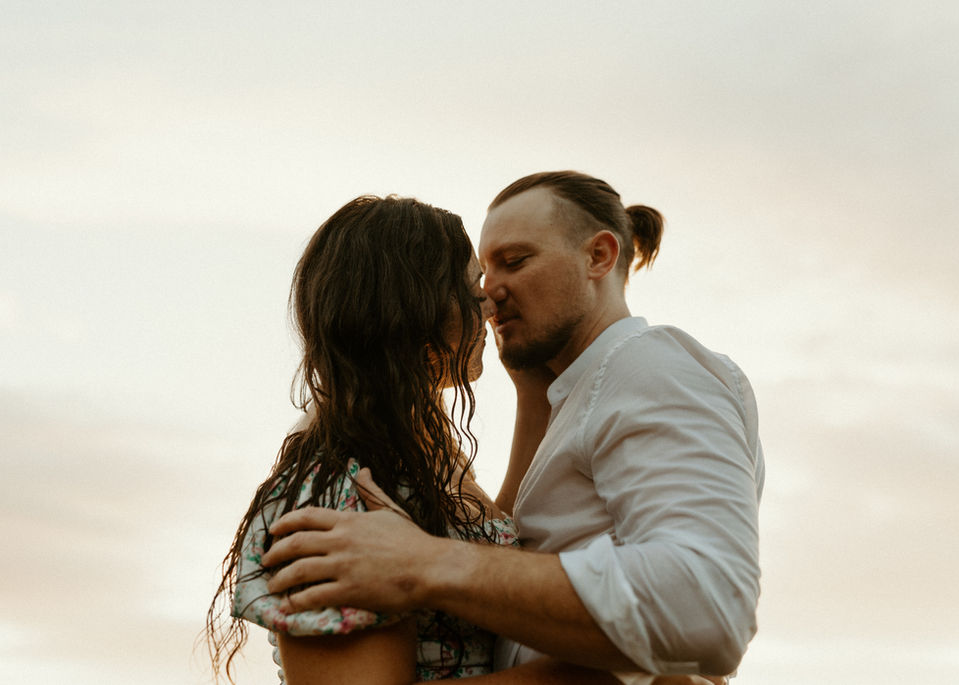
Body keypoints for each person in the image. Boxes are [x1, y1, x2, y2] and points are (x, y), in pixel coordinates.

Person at [260, 171, 764, 683]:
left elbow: (704, 607)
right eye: (474, 284)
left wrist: (426, 563)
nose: (489, 299)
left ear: (599, 257)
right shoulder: (347, 477)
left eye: (515, 262)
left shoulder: (647, 369)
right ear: (405, 307)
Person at [206, 194, 632, 684]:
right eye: (474, 286)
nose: (490, 303)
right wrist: (605, 674)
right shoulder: (335, 493)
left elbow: (510, 540)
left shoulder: (423, 454)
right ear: (417, 306)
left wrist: (533, 394)